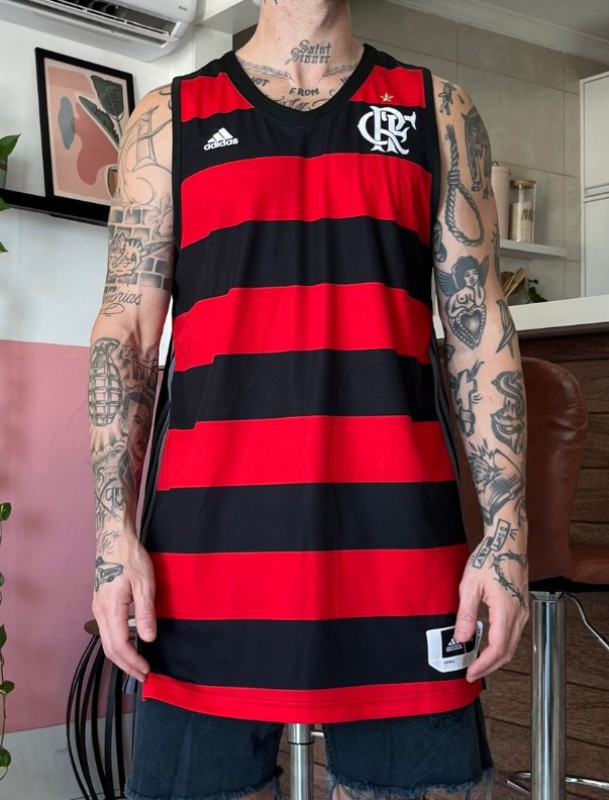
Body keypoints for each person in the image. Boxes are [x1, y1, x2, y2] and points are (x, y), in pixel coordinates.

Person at [88, 1, 529, 798]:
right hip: (202, 559)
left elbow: (478, 325)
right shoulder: (168, 118)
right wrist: (112, 535)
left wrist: (507, 533)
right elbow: (127, 333)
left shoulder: (437, 109)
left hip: (401, 549)